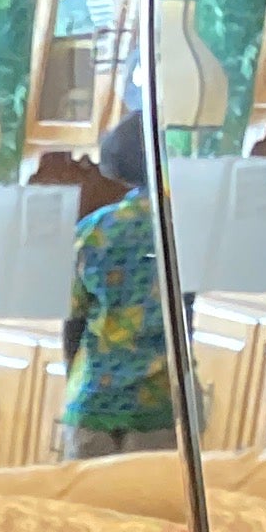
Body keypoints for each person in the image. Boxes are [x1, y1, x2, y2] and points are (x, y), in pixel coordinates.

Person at [59, 111, 174, 459]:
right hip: (158, 405)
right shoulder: (184, 227)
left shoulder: (94, 230)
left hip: (92, 399)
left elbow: (72, 321)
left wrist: (75, 378)